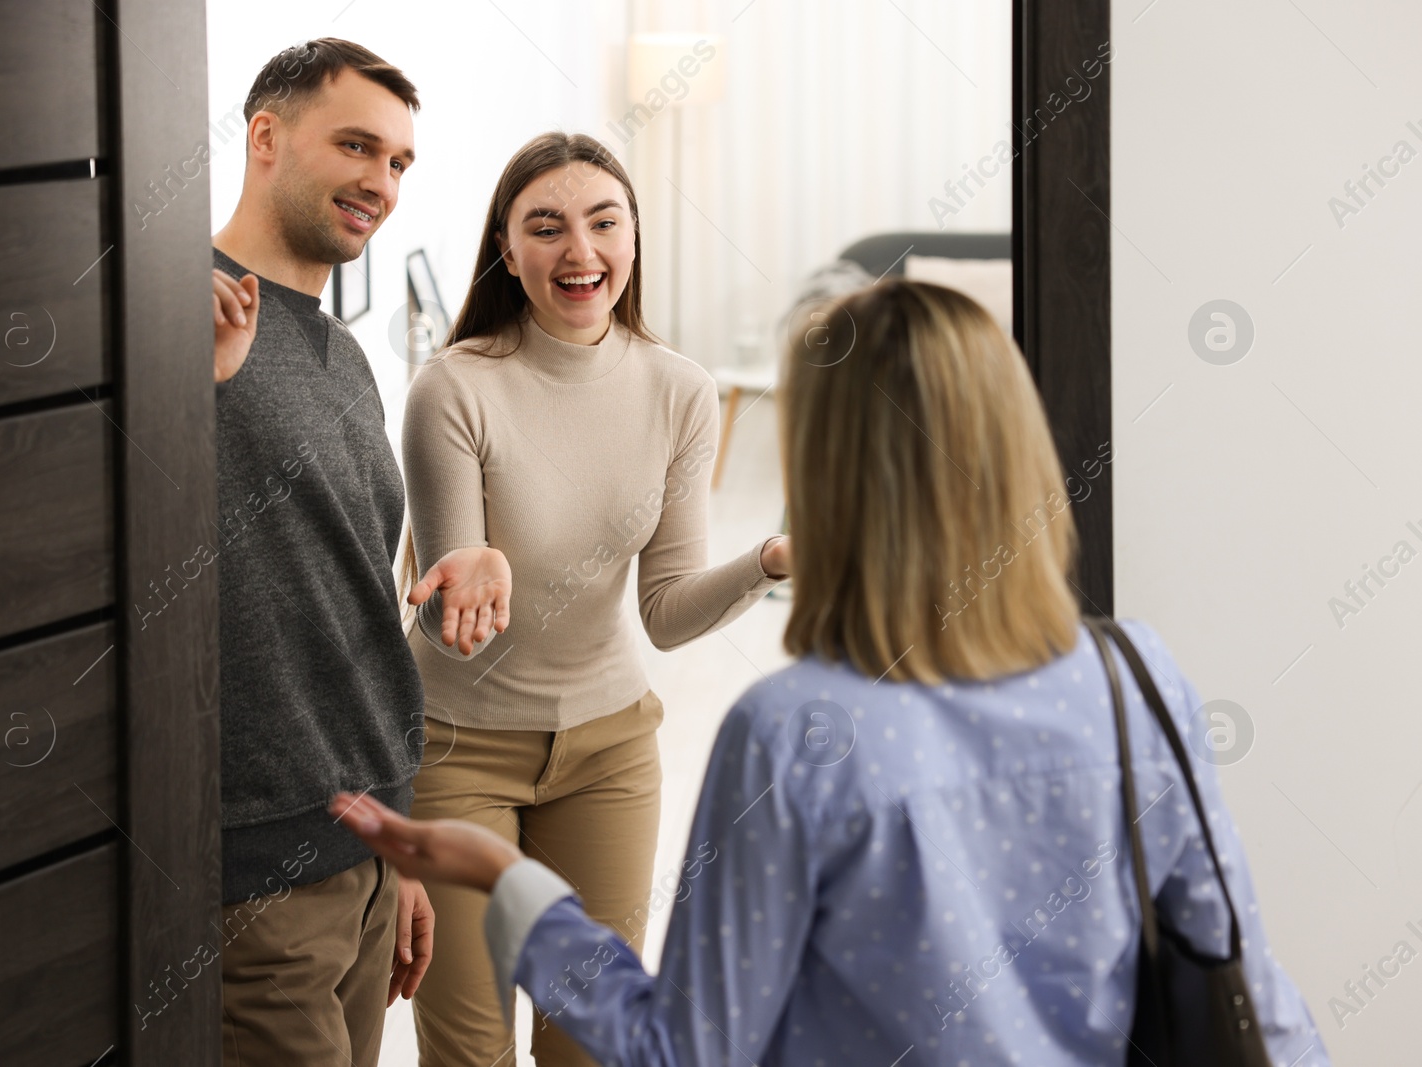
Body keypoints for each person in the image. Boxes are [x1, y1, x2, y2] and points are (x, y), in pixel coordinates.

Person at [331, 279, 1330, 1065]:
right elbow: (1246, 983)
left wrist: (513, 885)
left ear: (830, 471)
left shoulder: (797, 728)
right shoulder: (1134, 680)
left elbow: (681, 1047)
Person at [396, 131, 790, 1066]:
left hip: (609, 751)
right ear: (507, 249)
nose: (581, 252)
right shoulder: (454, 387)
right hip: (459, 753)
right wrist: (465, 578)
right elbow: (448, 615)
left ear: (635, 238)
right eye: (548, 227)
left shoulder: (680, 391)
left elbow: (665, 609)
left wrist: (770, 559)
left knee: (596, 1040)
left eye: (604, 222)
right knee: (469, 1046)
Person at [208, 39, 511, 1067]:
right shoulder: (169, 310)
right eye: (355, 146)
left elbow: (347, 604)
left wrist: (399, 845)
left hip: (365, 844)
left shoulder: (344, 356)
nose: (381, 183)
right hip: (254, 875)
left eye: (398, 163)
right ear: (266, 138)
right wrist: (187, 387)